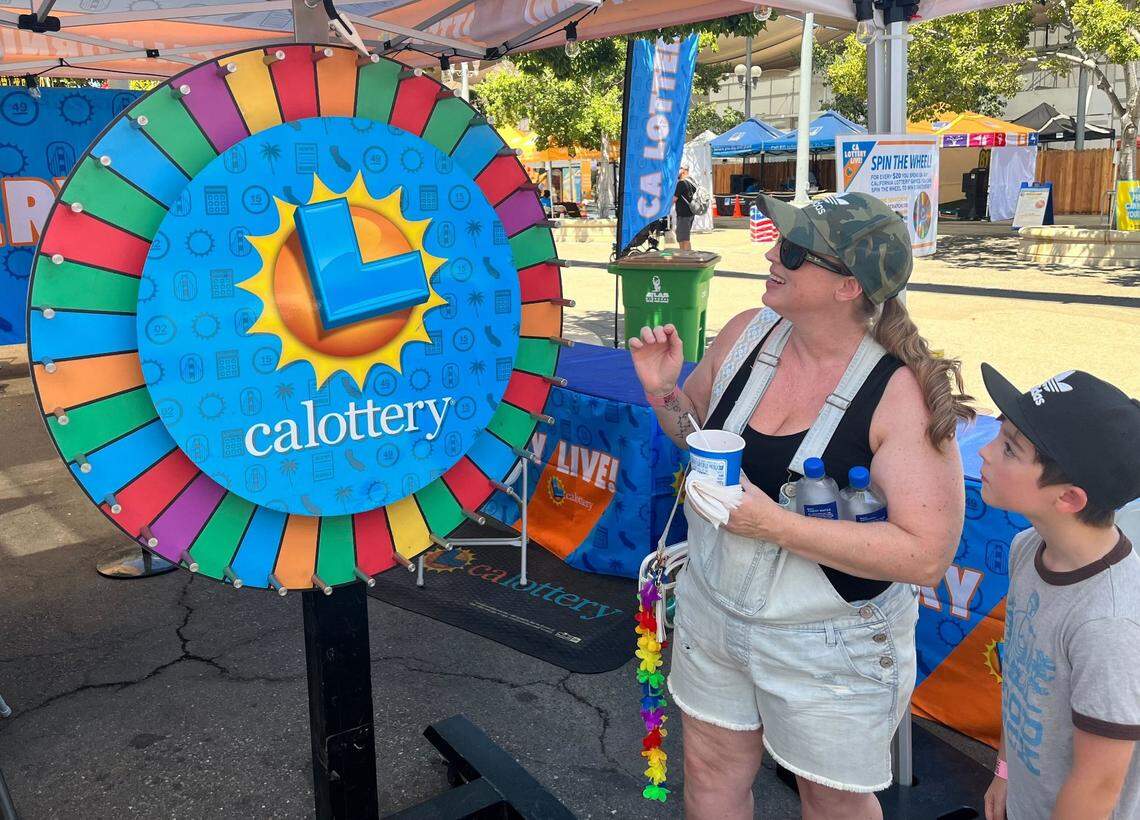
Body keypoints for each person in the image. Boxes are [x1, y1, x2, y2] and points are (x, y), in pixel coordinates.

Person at [629, 192, 974, 819]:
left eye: (791, 250)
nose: (769, 253)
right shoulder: (745, 333)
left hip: (829, 638)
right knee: (709, 770)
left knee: (831, 798)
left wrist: (778, 525)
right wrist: (663, 393)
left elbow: (927, 556)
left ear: (847, 287)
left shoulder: (899, 393)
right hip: (713, 604)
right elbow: (697, 437)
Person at [976, 365, 1140, 820]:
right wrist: (1005, 771)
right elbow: (1020, 670)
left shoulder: (1109, 626)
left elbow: (1097, 785)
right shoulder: (1028, 547)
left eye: (1009, 448)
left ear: (1068, 498)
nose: (985, 453)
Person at [674, 165, 697, 251]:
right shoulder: (692, 183)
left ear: (683, 171)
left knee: (683, 239)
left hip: (683, 215)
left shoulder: (681, 183)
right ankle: (687, 257)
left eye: (679, 169)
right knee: (686, 237)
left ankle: (686, 258)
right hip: (690, 213)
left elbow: (674, 199)